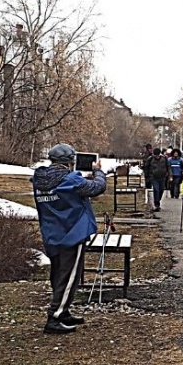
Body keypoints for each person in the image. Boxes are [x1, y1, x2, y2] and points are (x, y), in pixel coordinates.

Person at [31, 143, 108, 335]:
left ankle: (63, 311)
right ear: (69, 162)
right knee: (69, 277)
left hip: (52, 233)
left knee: (58, 274)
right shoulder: (71, 180)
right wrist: (98, 172)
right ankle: (55, 317)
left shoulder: (40, 180)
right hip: (73, 233)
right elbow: (97, 187)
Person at [142, 143, 170, 212]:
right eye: (155, 155)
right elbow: (146, 168)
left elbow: (168, 167)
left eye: (158, 155)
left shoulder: (164, 159)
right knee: (156, 190)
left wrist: (169, 174)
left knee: (161, 190)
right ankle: (156, 204)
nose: (157, 157)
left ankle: (158, 200)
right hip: (154, 178)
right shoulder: (150, 159)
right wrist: (147, 177)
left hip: (162, 177)